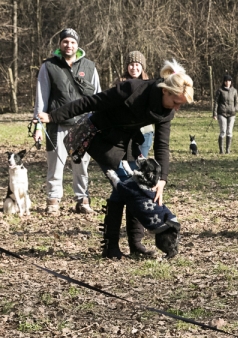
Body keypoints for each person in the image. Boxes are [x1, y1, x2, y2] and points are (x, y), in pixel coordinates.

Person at [37, 60, 193, 259]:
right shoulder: (131, 89)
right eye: (176, 103)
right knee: (127, 186)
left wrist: (162, 179)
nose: (177, 109)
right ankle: (111, 246)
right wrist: (54, 116)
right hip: (100, 136)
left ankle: (134, 245)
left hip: (127, 141)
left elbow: (162, 144)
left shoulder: (166, 112)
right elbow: (90, 102)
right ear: (165, 91)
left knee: (135, 185)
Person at [33, 28, 100, 215]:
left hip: (84, 125)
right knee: (55, 166)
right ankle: (53, 200)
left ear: (77, 45)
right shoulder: (48, 66)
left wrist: (99, 122)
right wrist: (38, 126)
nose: (68, 45)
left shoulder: (89, 66)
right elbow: (41, 98)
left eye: (72, 42)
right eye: (65, 42)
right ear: (60, 44)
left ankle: (83, 200)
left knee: (81, 166)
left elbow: (98, 98)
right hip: (56, 125)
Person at [115, 51, 153, 158]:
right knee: (127, 165)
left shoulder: (150, 85)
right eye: (131, 64)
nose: (134, 68)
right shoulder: (119, 85)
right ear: (127, 66)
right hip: (125, 132)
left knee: (141, 164)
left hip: (146, 131)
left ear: (142, 67)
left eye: (137, 64)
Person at [214, 74, 238, 154]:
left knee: (229, 131)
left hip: (232, 114)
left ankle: (227, 149)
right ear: (224, 82)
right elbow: (216, 102)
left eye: (229, 81)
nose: (228, 82)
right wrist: (215, 113)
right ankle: (221, 150)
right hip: (222, 113)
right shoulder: (220, 90)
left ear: (231, 82)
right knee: (223, 131)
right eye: (226, 81)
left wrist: (235, 109)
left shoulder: (234, 91)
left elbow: (237, 101)